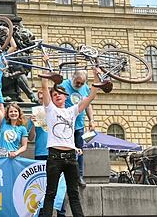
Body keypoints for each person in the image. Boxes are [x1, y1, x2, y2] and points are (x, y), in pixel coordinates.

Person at [39, 71, 100, 217]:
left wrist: (96, 76)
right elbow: (45, 88)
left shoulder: (72, 111)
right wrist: (46, 73)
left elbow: (90, 96)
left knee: (74, 194)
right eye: (55, 94)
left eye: (60, 94)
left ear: (66, 97)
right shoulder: (50, 109)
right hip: (54, 157)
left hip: (71, 158)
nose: (57, 96)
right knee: (50, 193)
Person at [28, 91, 67, 217]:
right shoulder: (36, 113)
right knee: (41, 185)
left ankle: (61, 212)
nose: (42, 100)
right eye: (40, 99)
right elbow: (30, 137)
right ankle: (41, 212)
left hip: (56, 152)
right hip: (40, 153)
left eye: (43, 97)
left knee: (60, 185)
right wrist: (32, 124)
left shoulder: (57, 111)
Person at [60, 70, 95, 187]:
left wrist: (91, 120)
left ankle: (79, 176)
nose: (79, 85)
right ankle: (64, 177)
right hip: (65, 125)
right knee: (65, 151)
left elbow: (88, 105)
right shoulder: (63, 85)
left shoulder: (85, 88)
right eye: (77, 82)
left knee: (79, 151)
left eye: (81, 83)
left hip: (79, 125)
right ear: (72, 77)